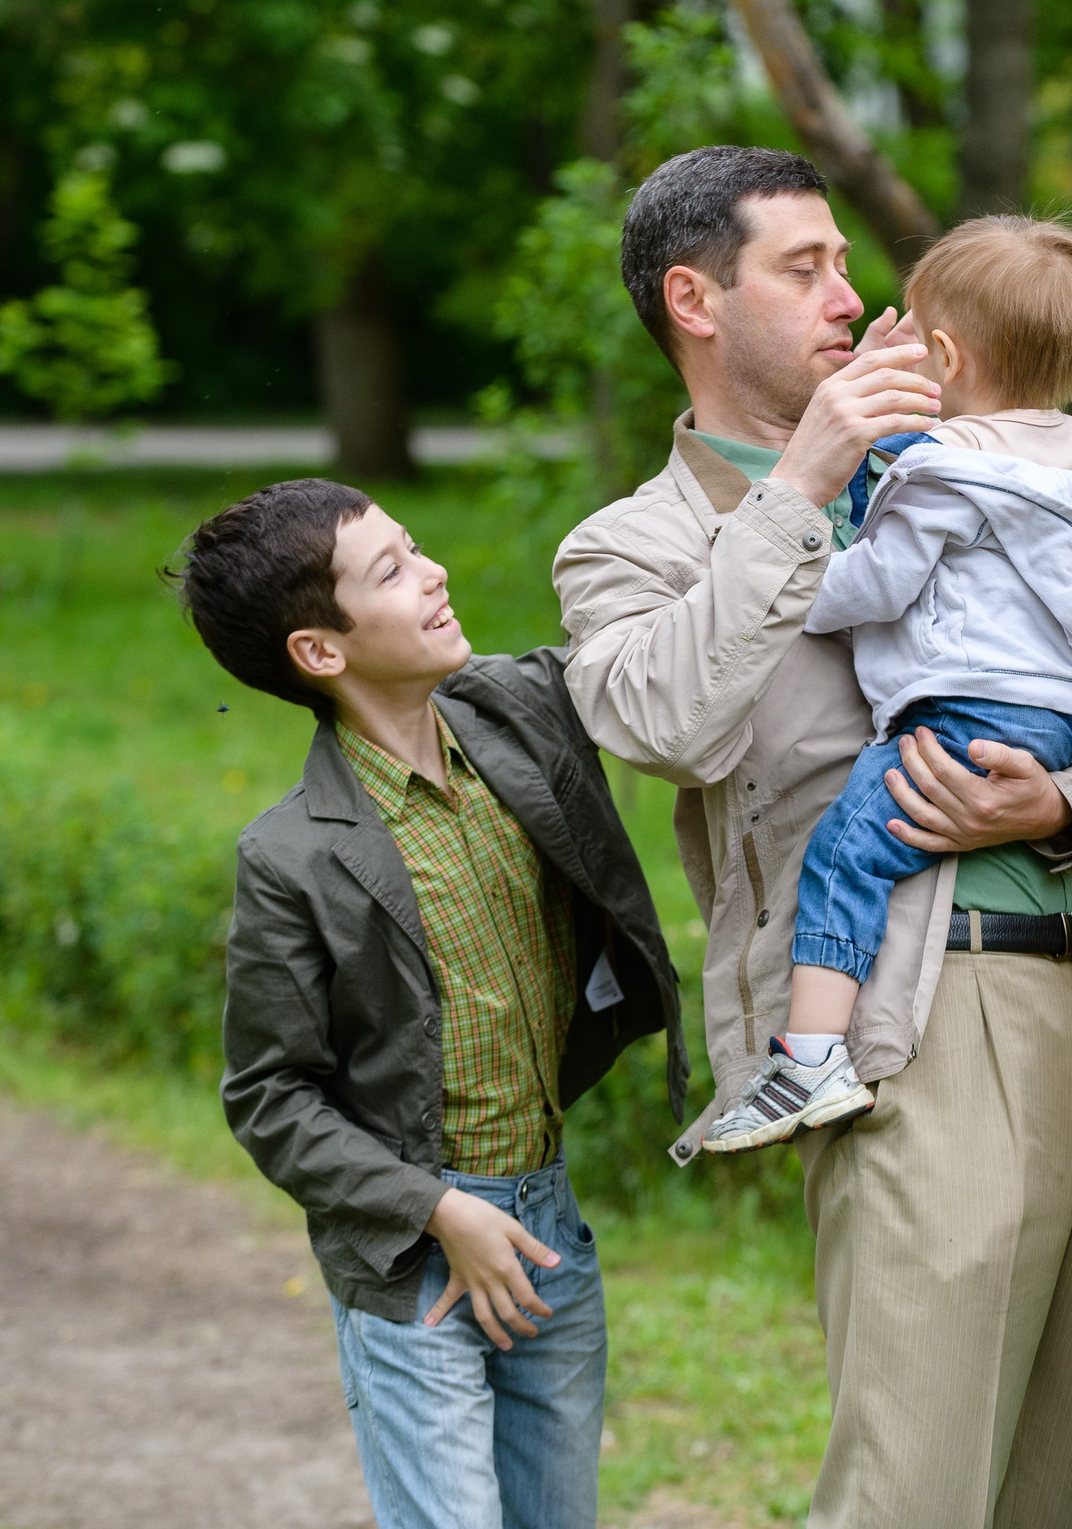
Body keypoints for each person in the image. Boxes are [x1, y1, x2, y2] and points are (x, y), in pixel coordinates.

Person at [553, 146, 1072, 1527]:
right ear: (693, 300)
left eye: (849, 264)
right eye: (807, 266)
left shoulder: (970, 458)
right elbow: (663, 718)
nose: (852, 296)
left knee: (1062, 1492)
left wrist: (1063, 803)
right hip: (906, 1033)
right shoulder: (631, 545)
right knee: (914, 1492)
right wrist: (804, 481)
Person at [178, 479, 685, 1529]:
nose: (435, 572)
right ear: (323, 651)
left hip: (546, 1231)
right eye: (392, 570)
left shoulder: (520, 714)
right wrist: (440, 1210)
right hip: (413, 1262)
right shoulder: (293, 853)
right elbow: (271, 1097)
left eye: (416, 548)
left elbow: (668, 654)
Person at [698, 214, 1072, 1153]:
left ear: (943, 354)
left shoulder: (943, 468)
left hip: (968, 710)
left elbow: (884, 581)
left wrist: (810, 576)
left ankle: (810, 1056)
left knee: (849, 851)